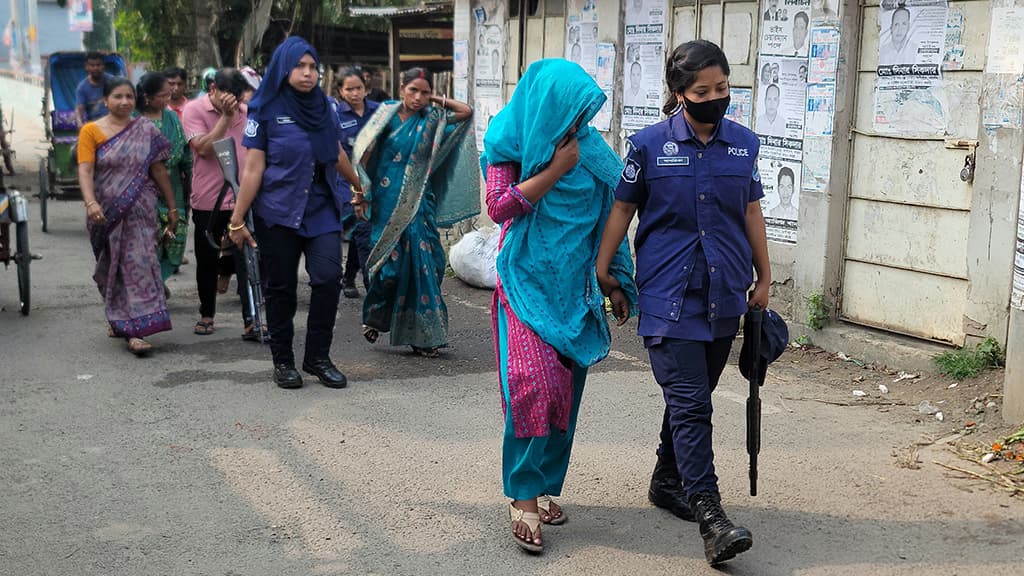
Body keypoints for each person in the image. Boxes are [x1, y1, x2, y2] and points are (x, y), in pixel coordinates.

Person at [596, 40, 770, 566]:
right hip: (668, 295)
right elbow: (622, 211)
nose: (715, 98)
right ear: (679, 94)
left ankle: (666, 479)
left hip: (723, 295)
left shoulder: (744, 144)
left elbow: (751, 212)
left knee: (692, 398)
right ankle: (711, 515)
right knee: (694, 403)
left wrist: (765, 277)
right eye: (702, 91)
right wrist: (605, 272)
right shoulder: (648, 146)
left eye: (722, 88)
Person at [482, 58, 637, 554]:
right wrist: (553, 171)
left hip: (574, 292)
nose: (578, 124)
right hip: (523, 283)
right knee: (533, 387)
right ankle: (523, 496)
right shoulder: (512, 140)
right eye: (571, 112)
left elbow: (614, 215)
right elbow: (499, 206)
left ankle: (545, 484)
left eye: (584, 114)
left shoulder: (592, 151)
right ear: (547, 105)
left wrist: (616, 281)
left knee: (564, 394)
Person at [228, 37, 364, 389]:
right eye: (299, 66)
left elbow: (335, 153)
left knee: (327, 279)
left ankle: (317, 356)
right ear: (283, 68)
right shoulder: (265, 109)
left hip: (320, 208)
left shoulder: (326, 108)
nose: (307, 73)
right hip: (278, 211)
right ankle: (283, 361)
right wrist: (237, 219)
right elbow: (253, 169)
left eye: (312, 67)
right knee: (281, 289)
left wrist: (358, 185)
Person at [352, 67, 475, 358]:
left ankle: (426, 336)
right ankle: (376, 317)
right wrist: (361, 194)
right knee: (388, 268)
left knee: (428, 264)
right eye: (413, 91)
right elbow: (364, 153)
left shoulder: (432, 120)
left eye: (424, 92)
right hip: (386, 201)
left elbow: (466, 112)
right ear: (401, 88)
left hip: (420, 202)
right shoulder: (386, 115)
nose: (418, 97)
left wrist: (435, 100)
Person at [77, 77, 180, 356]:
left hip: (141, 211)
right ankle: (119, 316)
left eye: (129, 97)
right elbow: (85, 170)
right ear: (106, 100)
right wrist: (90, 203)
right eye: (118, 96)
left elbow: (159, 171)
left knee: (138, 263)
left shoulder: (145, 130)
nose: (124, 102)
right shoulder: (91, 131)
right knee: (111, 267)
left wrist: (172, 208)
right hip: (105, 212)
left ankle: (136, 331)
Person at [182, 68, 261, 340]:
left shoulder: (248, 111)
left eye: (237, 98)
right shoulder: (193, 109)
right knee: (207, 258)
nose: (233, 104)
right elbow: (203, 148)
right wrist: (226, 119)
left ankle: (251, 318)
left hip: (243, 196)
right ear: (212, 88)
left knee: (247, 259)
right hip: (208, 197)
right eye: (227, 96)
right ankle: (207, 313)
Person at [136, 72, 192, 286]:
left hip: (174, 186)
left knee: (174, 236)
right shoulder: (133, 118)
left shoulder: (170, 117)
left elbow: (185, 151)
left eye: (169, 95)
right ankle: (150, 285)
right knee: (147, 241)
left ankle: (158, 281)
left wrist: (191, 175)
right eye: (162, 96)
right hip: (143, 189)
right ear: (147, 96)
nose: (167, 100)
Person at [334, 67, 380, 299]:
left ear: (366, 88)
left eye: (358, 88)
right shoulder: (336, 116)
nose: (354, 93)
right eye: (349, 89)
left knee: (361, 228)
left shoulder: (378, 111)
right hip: (346, 182)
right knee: (360, 226)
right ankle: (370, 284)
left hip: (374, 181)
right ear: (341, 92)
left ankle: (351, 276)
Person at [76, 52, 113, 126]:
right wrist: (79, 122)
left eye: (98, 65)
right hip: (94, 125)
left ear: (103, 66)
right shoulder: (82, 87)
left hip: (113, 122)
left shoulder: (113, 81)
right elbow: (80, 108)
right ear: (87, 67)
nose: (95, 68)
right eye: (92, 65)